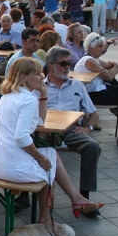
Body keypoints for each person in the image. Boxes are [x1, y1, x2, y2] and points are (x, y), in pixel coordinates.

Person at [0, 57, 103, 222]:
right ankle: (46, 219)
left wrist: (43, 95)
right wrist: (40, 159)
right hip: (13, 168)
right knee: (49, 166)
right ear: (23, 77)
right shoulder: (28, 99)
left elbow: (39, 122)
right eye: (37, 74)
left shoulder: (8, 97)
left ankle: (74, 200)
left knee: (51, 155)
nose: (43, 77)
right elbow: (21, 137)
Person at [44, 47, 102, 199]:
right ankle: (23, 194)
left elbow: (94, 113)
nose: (67, 67)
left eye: (69, 63)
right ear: (50, 65)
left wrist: (88, 128)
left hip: (70, 130)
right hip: (45, 131)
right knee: (26, 147)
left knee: (93, 146)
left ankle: (85, 194)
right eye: (63, 64)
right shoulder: (40, 86)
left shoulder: (77, 85)